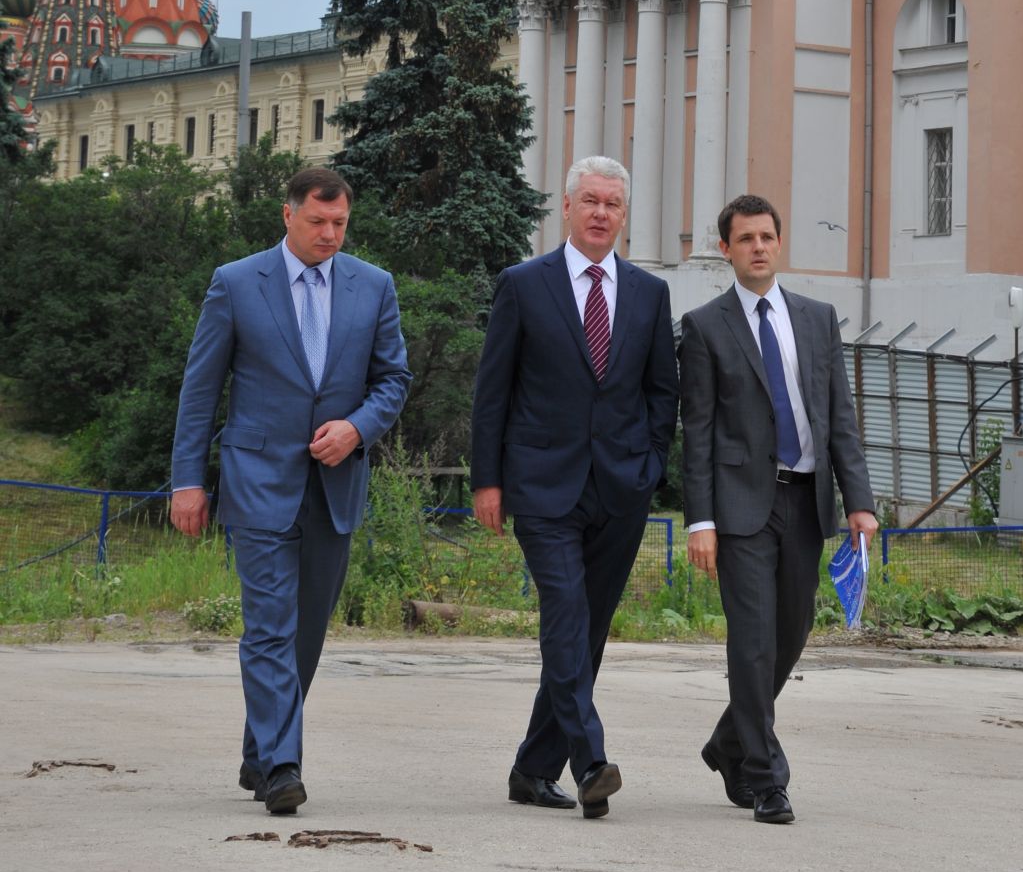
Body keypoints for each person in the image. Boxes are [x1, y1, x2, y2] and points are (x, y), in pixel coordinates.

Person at [170, 166, 411, 816]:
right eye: (317, 221)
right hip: (256, 480)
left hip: (334, 485)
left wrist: (357, 429)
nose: (329, 234)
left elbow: (393, 378)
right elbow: (200, 390)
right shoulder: (237, 282)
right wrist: (187, 480)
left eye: (339, 224)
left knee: (306, 633)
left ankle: (258, 750)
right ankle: (282, 767)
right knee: (270, 625)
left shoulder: (374, 286)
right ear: (288, 215)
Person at [470, 155, 678, 821]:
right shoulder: (523, 285)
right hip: (540, 485)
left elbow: (660, 394)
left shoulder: (648, 294)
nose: (599, 214)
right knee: (564, 613)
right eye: (588, 200)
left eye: (611, 204)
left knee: (586, 633)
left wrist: (648, 467)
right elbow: (491, 393)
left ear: (623, 214)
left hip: (621, 487)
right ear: (565, 207)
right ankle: (589, 760)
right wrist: (487, 481)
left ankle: (532, 770)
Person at [679, 193, 877, 826]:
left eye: (766, 237)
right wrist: (700, 520)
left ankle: (727, 741)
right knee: (753, 642)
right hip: (739, 510)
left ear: (778, 242)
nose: (758, 247)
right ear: (726, 249)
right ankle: (766, 778)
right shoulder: (705, 326)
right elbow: (698, 431)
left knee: (791, 636)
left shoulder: (818, 319)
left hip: (807, 500)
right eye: (745, 239)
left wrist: (860, 502)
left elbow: (839, 418)